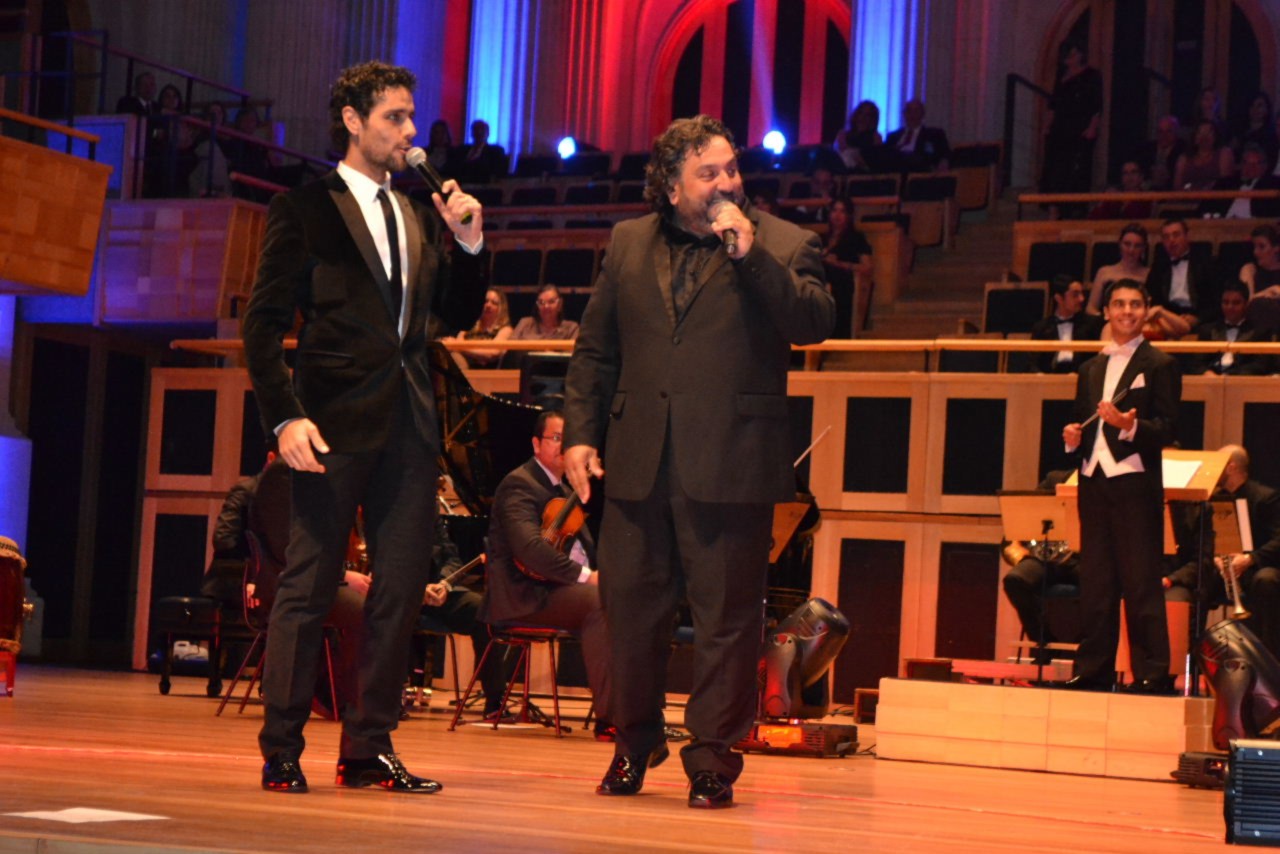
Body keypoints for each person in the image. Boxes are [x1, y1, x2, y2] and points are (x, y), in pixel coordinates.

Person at [563, 114, 835, 809]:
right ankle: (633, 743)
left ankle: (712, 757)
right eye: (707, 173)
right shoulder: (628, 242)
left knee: (728, 621)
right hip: (637, 459)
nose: (725, 183)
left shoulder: (784, 242)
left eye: (731, 169)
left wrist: (752, 257)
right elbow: (596, 349)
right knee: (630, 614)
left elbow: (813, 324)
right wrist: (579, 435)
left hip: (733, 460)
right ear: (671, 186)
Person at [240, 60, 486, 795]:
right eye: (394, 118)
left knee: (400, 589)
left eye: (411, 117)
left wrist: (470, 243)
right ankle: (282, 747)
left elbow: (453, 316)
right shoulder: (304, 208)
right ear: (353, 121)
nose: (410, 132)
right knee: (309, 584)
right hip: (330, 426)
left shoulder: (416, 214)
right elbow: (262, 324)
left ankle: (367, 749)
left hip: (409, 425)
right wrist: (284, 415)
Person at [1062, 279, 1181, 694]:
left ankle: (1152, 673)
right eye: (1119, 304)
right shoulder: (1088, 369)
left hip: (1134, 484)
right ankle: (1093, 669)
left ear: (1145, 310)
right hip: (1093, 481)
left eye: (1134, 304)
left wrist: (1129, 426)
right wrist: (1073, 439)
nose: (1126, 311)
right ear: (1107, 311)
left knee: (1140, 580)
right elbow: (1082, 423)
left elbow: (1168, 428)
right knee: (1096, 582)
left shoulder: (1160, 364)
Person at [476, 410, 612, 734]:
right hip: (525, 596)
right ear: (536, 444)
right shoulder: (519, 484)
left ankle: (642, 712)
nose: (564, 446)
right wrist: (587, 577)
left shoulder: (564, 490)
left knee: (635, 603)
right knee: (599, 602)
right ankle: (612, 719)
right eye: (556, 438)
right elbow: (531, 551)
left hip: (555, 590)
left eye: (569, 440)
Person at [1164, 445, 1280, 659]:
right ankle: (1193, 654)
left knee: (1266, 580)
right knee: (1200, 580)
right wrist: (1215, 558)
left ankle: (1268, 658)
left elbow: (1278, 540)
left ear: (1231, 467)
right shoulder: (1211, 499)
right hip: (1223, 569)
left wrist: (1250, 559)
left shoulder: (1265, 497)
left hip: (1257, 568)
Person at [1001, 471, 1080, 657]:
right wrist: (1019, 554)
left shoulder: (1106, 484)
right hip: (1046, 558)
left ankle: (1091, 650)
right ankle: (1043, 643)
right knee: (1015, 580)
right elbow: (1025, 518)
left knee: (1104, 586)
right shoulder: (1055, 480)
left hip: (1085, 559)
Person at [1040, 41, 1102, 217]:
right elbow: (1053, 104)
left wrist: (1092, 127)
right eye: (1068, 54)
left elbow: (1097, 105)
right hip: (1060, 129)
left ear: (1081, 54)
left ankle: (1074, 209)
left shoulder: (1092, 75)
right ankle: (1053, 209)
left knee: (1075, 170)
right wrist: (1047, 126)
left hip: (1080, 129)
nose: (1070, 58)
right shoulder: (1061, 75)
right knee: (1055, 169)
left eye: (1074, 54)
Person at [1144, 217, 1221, 336]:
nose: (1171, 240)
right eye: (1166, 237)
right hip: (1168, 316)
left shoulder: (1206, 263)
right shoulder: (1159, 266)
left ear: (1187, 236)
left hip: (1198, 316)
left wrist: (1198, 318)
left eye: (1176, 235)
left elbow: (1216, 300)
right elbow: (1152, 297)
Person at [1191, 280, 1273, 376]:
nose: (1230, 307)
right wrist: (1206, 373)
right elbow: (1197, 363)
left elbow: (1259, 365)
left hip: (1242, 380)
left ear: (1246, 304)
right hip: (1210, 380)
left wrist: (1231, 376)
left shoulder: (1260, 332)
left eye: (1236, 303)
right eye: (1225, 302)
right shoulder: (1207, 330)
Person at [821, 197, 873, 337]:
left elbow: (867, 267)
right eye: (834, 210)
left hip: (844, 280)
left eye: (842, 211)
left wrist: (839, 264)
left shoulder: (856, 238)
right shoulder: (822, 238)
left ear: (849, 215)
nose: (837, 215)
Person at [1030, 275, 1103, 373]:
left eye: (1081, 293)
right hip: (1050, 376)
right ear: (1059, 298)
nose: (1081, 299)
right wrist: (1040, 376)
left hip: (1080, 376)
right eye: (1075, 295)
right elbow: (1032, 363)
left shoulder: (1091, 324)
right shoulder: (1042, 327)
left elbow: (1095, 359)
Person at [1199, 143, 1280, 219]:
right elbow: (1206, 207)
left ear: (1265, 166)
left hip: (1255, 225)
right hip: (1224, 224)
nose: (1251, 167)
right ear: (1241, 165)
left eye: (1256, 163)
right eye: (1247, 163)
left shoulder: (1273, 184)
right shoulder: (1225, 183)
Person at [1088, 223, 1150, 317]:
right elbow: (1091, 308)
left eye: (1137, 246)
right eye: (1127, 244)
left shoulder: (1150, 274)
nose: (1131, 250)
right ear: (1120, 244)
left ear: (1143, 248)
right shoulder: (1104, 272)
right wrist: (1110, 320)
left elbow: (1151, 309)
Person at [442, 287, 513, 368]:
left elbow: (493, 353)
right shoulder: (470, 325)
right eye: (485, 301)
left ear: (502, 308)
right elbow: (457, 343)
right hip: (463, 364)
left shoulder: (505, 329)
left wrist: (462, 349)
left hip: (488, 371)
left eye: (494, 303)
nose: (488, 305)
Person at [884, 99, 951, 173]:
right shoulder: (893, 137)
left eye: (916, 111)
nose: (912, 115)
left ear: (922, 114)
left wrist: (943, 162)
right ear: (904, 114)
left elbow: (945, 153)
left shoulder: (934, 135)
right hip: (897, 169)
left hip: (919, 169)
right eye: (909, 111)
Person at [1173, 119, 1235, 190]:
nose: (1204, 137)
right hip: (1189, 196)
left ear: (1215, 136)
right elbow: (1177, 187)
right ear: (1194, 137)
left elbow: (1225, 184)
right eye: (1200, 133)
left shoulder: (1224, 154)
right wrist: (1191, 187)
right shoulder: (1184, 159)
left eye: (1209, 133)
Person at [1087, 161, 1153, 220]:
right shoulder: (1115, 196)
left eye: (1134, 172)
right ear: (1122, 178)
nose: (1129, 176)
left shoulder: (1146, 198)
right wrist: (1104, 199)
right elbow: (1092, 218)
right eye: (1125, 173)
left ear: (1141, 177)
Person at [511, 285, 579, 340]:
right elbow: (510, 348)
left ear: (560, 304)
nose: (546, 306)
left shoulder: (571, 329)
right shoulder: (525, 324)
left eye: (551, 302)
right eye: (541, 302)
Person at [1136, 115, 1185, 191]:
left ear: (1176, 133)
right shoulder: (1147, 149)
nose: (1163, 135)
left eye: (1168, 131)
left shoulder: (1183, 150)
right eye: (1160, 132)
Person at [833, 100, 883, 173]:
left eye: (867, 115)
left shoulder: (875, 137)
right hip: (842, 169)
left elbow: (875, 160)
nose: (863, 117)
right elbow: (839, 154)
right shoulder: (843, 134)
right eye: (861, 113)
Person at [456, 119, 507, 183]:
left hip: (482, 184)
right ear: (472, 133)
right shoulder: (462, 150)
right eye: (476, 130)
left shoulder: (495, 151)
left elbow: (496, 172)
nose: (479, 132)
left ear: (488, 133)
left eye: (482, 130)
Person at [1235, 93, 1278, 167]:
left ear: (1267, 109)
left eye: (1259, 106)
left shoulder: (1271, 136)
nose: (1255, 109)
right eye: (1252, 105)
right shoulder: (1240, 132)